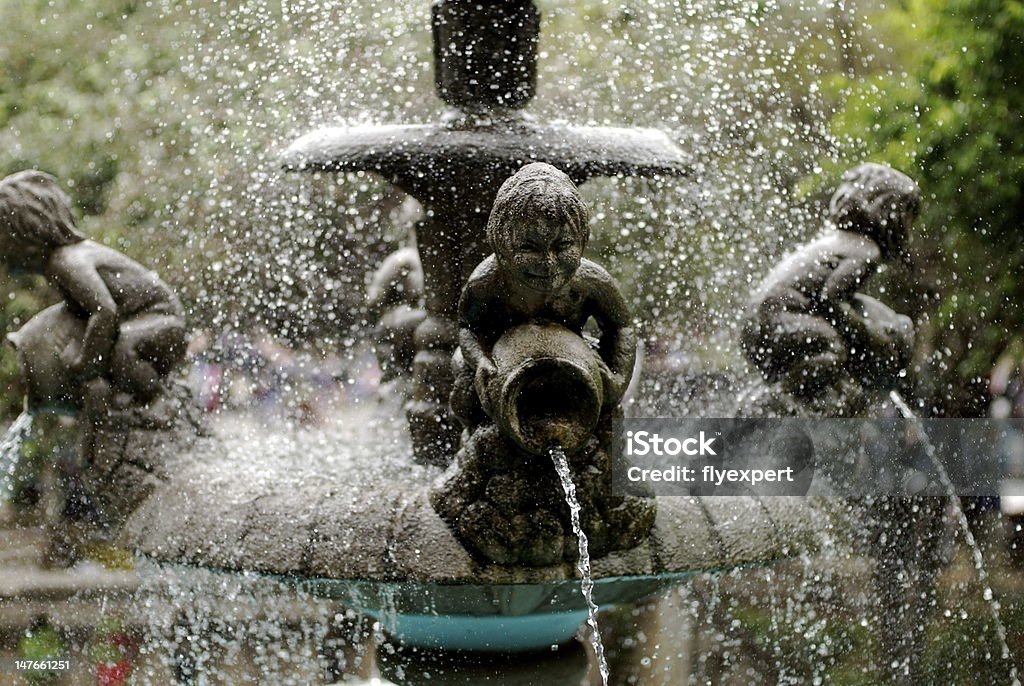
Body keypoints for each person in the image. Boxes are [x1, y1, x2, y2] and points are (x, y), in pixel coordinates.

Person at [450, 162, 635, 424]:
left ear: (582, 240)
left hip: (569, 359)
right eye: (529, 247)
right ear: (501, 245)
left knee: (605, 415)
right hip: (502, 362)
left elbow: (621, 326)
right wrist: (479, 359)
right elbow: (468, 327)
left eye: (563, 245)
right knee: (466, 392)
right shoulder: (486, 282)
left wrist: (617, 379)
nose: (548, 262)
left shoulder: (590, 281)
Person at [0, 170, 186, 402]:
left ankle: (159, 401)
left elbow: (105, 311)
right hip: (139, 323)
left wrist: (86, 363)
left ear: (25, 237)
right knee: (113, 356)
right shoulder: (60, 264)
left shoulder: (66, 262)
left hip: (161, 321)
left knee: (122, 351)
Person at [741, 162, 920, 398]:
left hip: (758, 324)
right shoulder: (866, 251)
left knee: (825, 364)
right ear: (888, 211)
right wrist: (871, 335)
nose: (908, 229)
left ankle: (773, 398)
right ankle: (778, 401)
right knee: (832, 349)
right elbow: (832, 300)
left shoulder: (840, 241)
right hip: (777, 320)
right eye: (908, 216)